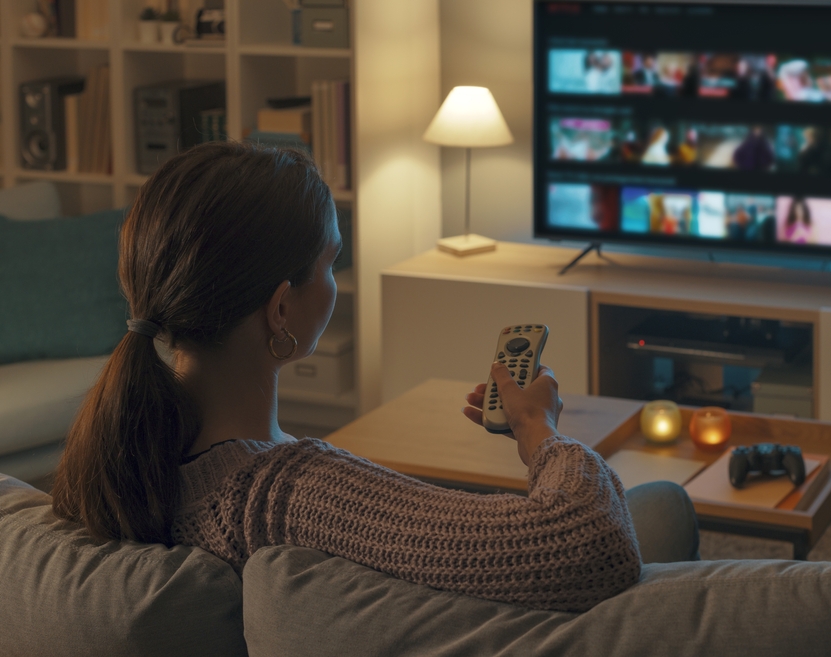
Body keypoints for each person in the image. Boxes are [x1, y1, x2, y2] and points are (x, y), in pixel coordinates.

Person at [50, 142, 699, 613]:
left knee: (652, 506)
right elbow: (589, 546)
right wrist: (538, 429)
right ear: (281, 310)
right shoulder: (287, 493)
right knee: (661, 506)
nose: (334, 282)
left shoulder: (113, 459)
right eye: (331, 263)